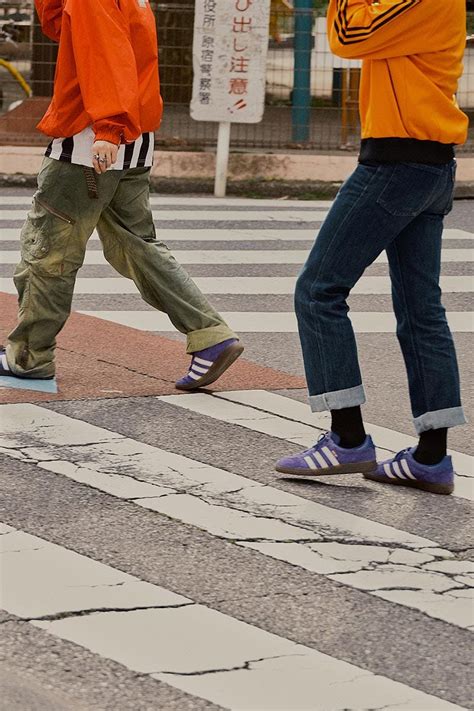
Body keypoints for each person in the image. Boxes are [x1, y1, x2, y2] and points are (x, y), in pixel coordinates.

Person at [276, 0, 468, 495]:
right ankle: (430, 458)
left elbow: (346, 36)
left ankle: (347, 437)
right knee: (421, 309)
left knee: (318, 290)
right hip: (428, 162)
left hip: (397, 164)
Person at [0, 0, 243, 391]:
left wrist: (108, 129)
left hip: (90, 143)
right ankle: (210, 334)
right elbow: (63, 29)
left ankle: (30, 355)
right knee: (137, 245)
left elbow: (105, 56)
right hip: (133, 139)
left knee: (49, 250)